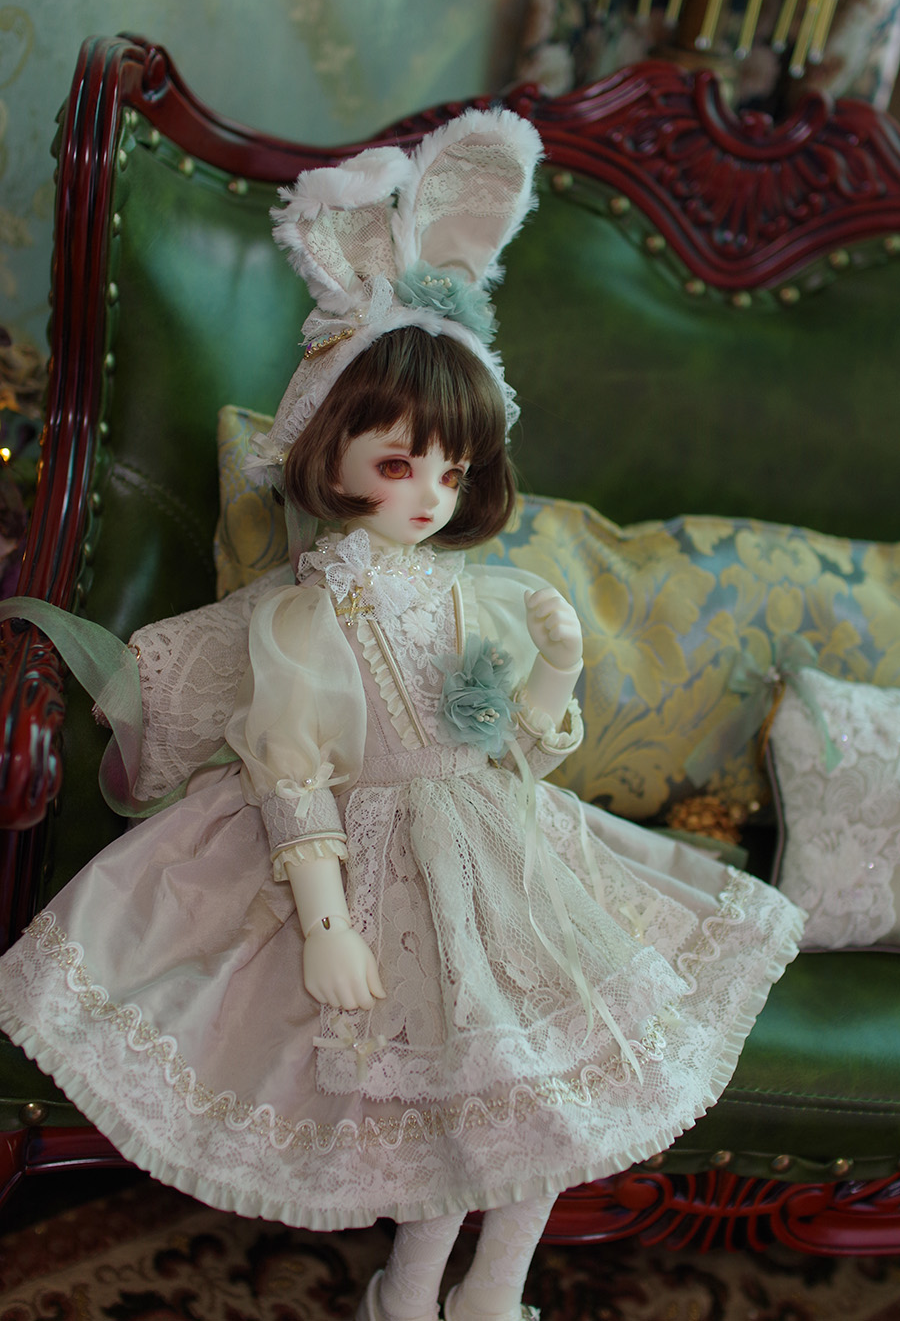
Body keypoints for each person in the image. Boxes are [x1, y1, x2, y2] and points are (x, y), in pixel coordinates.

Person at [0, 111, 804, 1321]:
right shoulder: (305, 614)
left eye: (453, 470)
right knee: (448, 1105)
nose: (429, 494)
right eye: (398, 463)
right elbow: (292, 769)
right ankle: (411, 1290)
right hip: (380, 861)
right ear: (329, 454)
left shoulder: (480, 594)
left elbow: (515, 750)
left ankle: (491, 1292)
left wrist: (556, 668)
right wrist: (326, 923)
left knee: (545, 1092)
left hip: (501, 852)